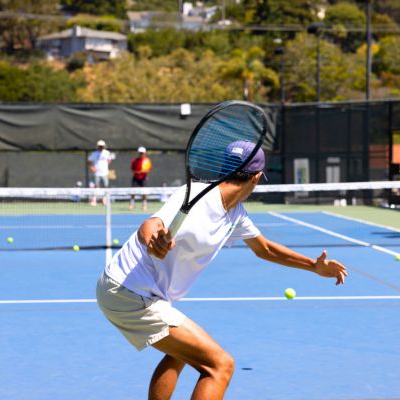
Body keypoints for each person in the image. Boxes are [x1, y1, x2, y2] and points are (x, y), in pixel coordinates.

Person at [96, 142, 348, 400]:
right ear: (257, 177)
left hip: (126, 289)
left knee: (180, 353)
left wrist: (313, 266)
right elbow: (151, 224)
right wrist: (153, 240)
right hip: (132, 292)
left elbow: (265, 249)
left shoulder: (236, 214)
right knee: (220, 366)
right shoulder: (196, 194)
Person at [88, 140, 113, 206]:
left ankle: (104, 200)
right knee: (96, 187)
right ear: (97, 146)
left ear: (104, 146)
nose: (101, 147)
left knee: (105, 186)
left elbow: (109, 160)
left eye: (102, 146)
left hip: (105, 173)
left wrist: (106, 166)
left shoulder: (107, 153)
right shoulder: (94, 153)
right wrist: (92, 167)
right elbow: (89, 161)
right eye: (100, 146)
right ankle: (94, 200)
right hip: (97, 174)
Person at [129, 146, 152, 211]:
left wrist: (144, 172)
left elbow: (149, 169)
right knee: (133, 191)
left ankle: (144, 204)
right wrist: (137, 172)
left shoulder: (147, 160)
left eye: (142, 153)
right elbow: (132, 169)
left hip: (143, 178)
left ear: (144, 153)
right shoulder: (135, 160)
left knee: (144, 192)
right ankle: (132, 203)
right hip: (136, 178)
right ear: (138, 153)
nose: (141, 154)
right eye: (140, 153)